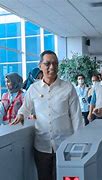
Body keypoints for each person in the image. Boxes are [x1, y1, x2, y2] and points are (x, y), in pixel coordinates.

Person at [12, 50, 84, 180]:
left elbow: (76, 117)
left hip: (65, 146)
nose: (52, 67)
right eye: (48, 64)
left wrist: (78, 144)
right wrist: (21, 115)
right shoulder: (33, 89)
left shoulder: (68, 88)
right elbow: (26, 107)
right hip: (42, 146)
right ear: (40, 66)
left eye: (55, 64)